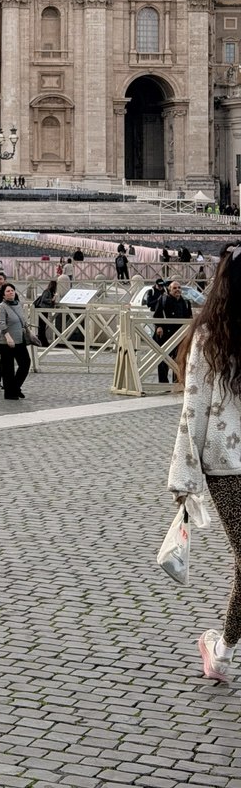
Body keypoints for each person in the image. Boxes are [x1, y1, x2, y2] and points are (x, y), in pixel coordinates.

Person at [167, 243, 241, 683]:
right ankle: (223, 648)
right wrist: (184, 475)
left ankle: (222, 647)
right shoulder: (210, 336)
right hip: (226, 463)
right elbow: (193, 407)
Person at [0, 283, 30, 400]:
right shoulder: (1, 307)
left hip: (20, 339)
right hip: (6, 341)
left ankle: (15, 387)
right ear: (3, 295)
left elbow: (23, 320)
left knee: (25, 363)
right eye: (8, 291)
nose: (11, 293)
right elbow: (1, 324)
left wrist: (29, 332)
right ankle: (10, 393)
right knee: (8, 368)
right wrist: (8, 337)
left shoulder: (18, 304)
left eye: (12, 290)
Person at [155, 279, 192, 384]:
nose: (177, 290)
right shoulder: (163, 299)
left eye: (179, 288)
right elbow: (157, 315)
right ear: (169, 290)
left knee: (179, 359)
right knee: (163, 360)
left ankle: (177, 382)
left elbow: (189, 317)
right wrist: (159, 326)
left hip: (180, 335)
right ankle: (164, 384)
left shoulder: (186, 302)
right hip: (166, 334)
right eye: (174, 288)